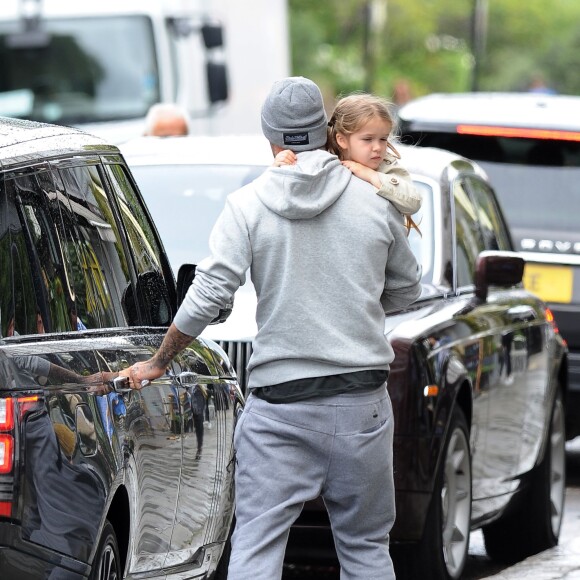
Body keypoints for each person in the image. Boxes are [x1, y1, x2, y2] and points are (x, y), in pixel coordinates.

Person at [120, 76, 422, 579]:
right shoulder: (376, 201)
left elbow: (210, 293)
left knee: (257, 542)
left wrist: (158, 361)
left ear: (272, 137)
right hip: (361, 407)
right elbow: (408, 292)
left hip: (281, 407)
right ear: (326, 132)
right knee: (367, 546)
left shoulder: (249, 204)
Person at [274, 92, 422, 235]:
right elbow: (290, 195)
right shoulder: (322, 160)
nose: (377, 147)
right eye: (368, 139)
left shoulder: (387, 166)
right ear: (342, 140)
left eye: (383, 139)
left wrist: (371, 176)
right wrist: (278, 166)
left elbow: (413, 202)